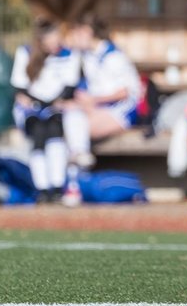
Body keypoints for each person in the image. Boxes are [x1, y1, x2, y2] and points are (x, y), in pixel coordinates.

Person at [61, 14, 144, 170]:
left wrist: (93, 100)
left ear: (86, 32)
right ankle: (78, 167)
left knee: (74, 128)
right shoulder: (87, 56)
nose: (73, 38)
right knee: (69, 116)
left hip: (123, 110)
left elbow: (123, 93)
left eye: (76, 33)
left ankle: (78, 172)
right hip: (101, 108)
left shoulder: (113, 56)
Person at [10, 19, 80, 203]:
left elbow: (70, 85)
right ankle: (42, 188)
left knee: (55, 132)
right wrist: (33, 102)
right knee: (38, 134)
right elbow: (19, 87)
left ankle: (57, 187)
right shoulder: (25, 52)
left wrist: (57, 102)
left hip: (57, 107)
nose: (55, 41)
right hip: (31, 108)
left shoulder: (69, 55)